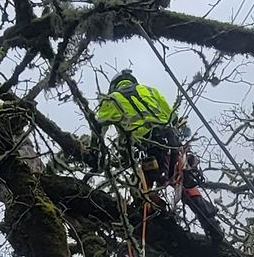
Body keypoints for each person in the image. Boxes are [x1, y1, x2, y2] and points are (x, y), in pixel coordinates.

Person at [95, 69, 222, 238]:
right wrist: (182, 130)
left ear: (114, 87)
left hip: (149, 146)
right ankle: (211, 223)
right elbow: (173, 117)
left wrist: (94, 152)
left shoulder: (111, 99)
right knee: (183, 180)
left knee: (142, 190)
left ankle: (160, 223)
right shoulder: (149, 90)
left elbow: (98, 126)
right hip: (172, 143)